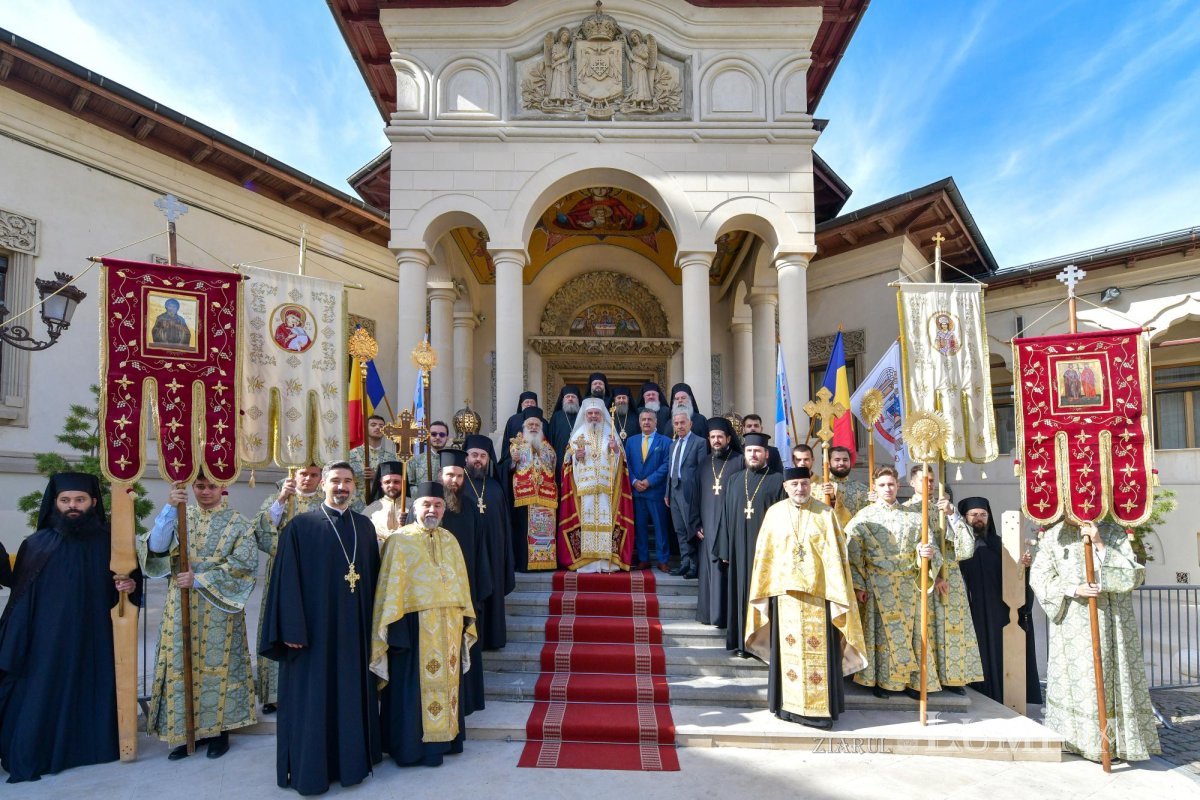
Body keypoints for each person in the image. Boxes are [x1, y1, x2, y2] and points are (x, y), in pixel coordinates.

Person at [0, 472, 140, 783]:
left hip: (98, 637)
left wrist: (130, 585)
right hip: (48, 641)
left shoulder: (113, 543)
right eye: (65, 501)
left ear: (93, 502)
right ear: (55, 503)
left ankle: (95, 749)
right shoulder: (36, 545)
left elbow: (132, 582)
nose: (72, 506)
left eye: (79, 500)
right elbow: (20, 597)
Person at [259, 461, 382, 795]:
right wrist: (292, 630)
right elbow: (284, 583)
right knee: (313, 700)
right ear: (324, 485)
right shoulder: (300, 527)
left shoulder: (364, 527)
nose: (342, 487)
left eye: (348, 482)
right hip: (312, 634)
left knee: (349, 695)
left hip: (353, 632)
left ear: (355, 487)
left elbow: (373, 581)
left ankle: (351, 764)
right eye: (335, 481)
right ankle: (311, 769)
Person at [140, 475, 258, 760]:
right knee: (181, 664)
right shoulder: (181, 514)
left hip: (219, 605)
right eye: (200, 486)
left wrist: (200, 579)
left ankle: (220, 733)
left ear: (223, 487)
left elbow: (244, 566)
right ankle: (184, 731)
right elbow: (156, 546)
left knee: (218, 667)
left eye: (211, 486)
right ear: (191, 488)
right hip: (180, 602)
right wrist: (169, 507)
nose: (205, 492)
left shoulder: (239, 523)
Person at [746, 467, 868, 729]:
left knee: (818, 653)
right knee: (787, 652)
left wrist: (835, 590)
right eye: (794, 484)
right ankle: (787, 707)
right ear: (786, 487)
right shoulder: (774, 514)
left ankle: (818, 711)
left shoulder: (825, 514)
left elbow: (837, 556)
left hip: (819, 595)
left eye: (804, 484)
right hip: (785, 596)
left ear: (810, 485)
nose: (800, 489)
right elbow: (765, 555)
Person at [1030, 518, 1160, 763]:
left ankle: (1112, 745)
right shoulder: (1053, 536)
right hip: (1073, 627)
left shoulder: (1114, 532)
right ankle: (1076, 740)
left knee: (1110, 678)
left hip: (1113, 624)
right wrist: (1073, 588)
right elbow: (1039, 578)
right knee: (1080, 679)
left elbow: (1134, 574)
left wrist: (1099, 543)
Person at [370, 482, 476, 767]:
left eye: (438, 505)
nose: (432, 510)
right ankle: (410, 749)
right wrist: (396, 630)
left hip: (448, 628)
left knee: (448, 686)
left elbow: (461, 585)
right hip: (413, 628)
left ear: (444, 509)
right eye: (427, 504)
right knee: (412, 690)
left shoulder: (450, 540)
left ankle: (446, 740)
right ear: (415, 507)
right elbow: (390, 590)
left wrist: (464, 618)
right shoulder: (399, 541)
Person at [845, 466, 942, 698]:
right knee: (882, 634)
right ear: (875, 487)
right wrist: (859, 585)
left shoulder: (916, 517)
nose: (887, 489)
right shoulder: (864, 517)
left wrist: (924, 552)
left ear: (898, 486)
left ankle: (913, 682)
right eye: (882, 485)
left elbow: (932, 548)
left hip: (909, 584)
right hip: (878, 584)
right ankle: (881, 681)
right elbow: (852, 552)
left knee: (912, 634)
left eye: (891, 484)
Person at [252, 464, 324, 714]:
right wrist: (282, 498)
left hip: (317, 576)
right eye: (303, 474)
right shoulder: (279, 499)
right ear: (294, 475)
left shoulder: (327, 501)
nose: (308, 479)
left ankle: (312, 689)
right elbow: (261, 531)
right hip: (283, 572)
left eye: (314, 475)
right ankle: (275, 694)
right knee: (282, 626)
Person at [903, 466, 981, 695]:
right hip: (922, 575)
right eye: (924, 480)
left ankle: (953, 678)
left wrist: (950, 514)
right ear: (912, 483)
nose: (929, 484)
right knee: (923, 629)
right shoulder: (907, 510)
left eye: (932, 480)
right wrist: (933, 574)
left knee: (951, 627)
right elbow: (909, 546)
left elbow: (966, 547)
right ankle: (922, 681)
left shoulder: (945, 508)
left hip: (951, 575)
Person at [957, 496, 1041, 705]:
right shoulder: (956, 546)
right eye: (973, 515)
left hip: (999, 611)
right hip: (969, 609)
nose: (979, 519)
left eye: (983, 515)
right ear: (965, 518)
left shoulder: (1000, 544)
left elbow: (1015, 576)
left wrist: (1024, 566)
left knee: (1000, 653)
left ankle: (1003, 697)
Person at [713, 433, 784, 656]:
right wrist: (724, 549)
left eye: (758, 451)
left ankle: (762, 644)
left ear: (766, 454)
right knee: (739, 595)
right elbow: (724, 516)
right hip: (738, 551)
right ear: (744, 454)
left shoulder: (778, 480)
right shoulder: (734, 480)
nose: (754, 455)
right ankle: (742, 643)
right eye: (750, 451)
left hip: (766, 554)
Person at [437, 448, 492, 716]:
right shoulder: (428, 508)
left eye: (459, 475)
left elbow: (481, 548)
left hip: (465, 590)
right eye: (450, 475)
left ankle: (467, 700)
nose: (454, 481)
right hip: (434, 597)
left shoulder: (470, 507)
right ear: (440, 476)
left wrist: (480, 588)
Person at [557, 397, 635, 572]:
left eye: (597, 413)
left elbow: (622, 463)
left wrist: (615, 449)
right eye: (590, 413)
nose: (593, 416)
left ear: (602, 415)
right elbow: (566, 462)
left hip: (607, 490)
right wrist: (576, 456)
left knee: (607, 523)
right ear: (585, 415)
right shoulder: (577, 435)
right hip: (584, 492)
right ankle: (587, 562)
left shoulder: (611, 433)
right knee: (586, 524)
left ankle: (607, 561)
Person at [464, 434, 516, 650]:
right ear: (465, 457)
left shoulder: (495, 488)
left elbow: (505, 525)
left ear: (489, 459)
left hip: (494, 553)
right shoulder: (459, 486)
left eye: (483, 456)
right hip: (469, 554)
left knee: (492, 596)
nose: (478, 460)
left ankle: (492, 639)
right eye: (474, 455)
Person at [697, 417, 743, 626]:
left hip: (731, 527)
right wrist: (696, 523)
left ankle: (725, 618)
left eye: (720, 437)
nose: (716, 441)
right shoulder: (704, 463)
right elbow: (694, 495)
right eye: (712, 437)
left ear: (728, 439)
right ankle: (709, 615)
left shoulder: (739, 461)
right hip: (707, 525)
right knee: (709, 571)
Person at [505, 408, 559, 571]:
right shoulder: (516, 445)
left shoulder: (548, 447)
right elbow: (509, 468)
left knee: (545, 530)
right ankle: (524, 564)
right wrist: (513, 461)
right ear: (525, 426)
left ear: (541, 427)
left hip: (545, 495)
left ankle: (545, 564)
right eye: (530, 424)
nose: (534, 427)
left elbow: (553, 468)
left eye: (536, 424)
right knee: (523, 531)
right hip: (524, 494)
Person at [625, 407, 671, 571]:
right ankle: (644, 558)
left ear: (656, 422)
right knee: (640, 527)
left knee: (660, 527)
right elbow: (626, 464)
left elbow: (667, 465)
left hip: (656, 491)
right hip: (637, 491)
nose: (646, 422)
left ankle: (663, 559)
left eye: (649, 419)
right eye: (643, 419)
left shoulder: (665, 441)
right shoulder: (631, 441)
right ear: (639, 422)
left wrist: (649, 481)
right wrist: (635, 481)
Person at [667, 405, 707, 578]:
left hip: (690, 492)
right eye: (676, 423)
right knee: (680, 529)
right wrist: (667, 493)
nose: (679, 426)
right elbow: (670, 470)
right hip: (674, 491)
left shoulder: (699, 442)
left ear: (690, 424)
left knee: (691, 528)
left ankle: (694, 565)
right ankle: (684, 562)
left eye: (683, 422)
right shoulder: (673, 444)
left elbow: (701, 470)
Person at [348, 414, 397, 512]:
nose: (378, 427)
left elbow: (395, 483)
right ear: (365, 429)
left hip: (382, 507)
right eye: (373, 425)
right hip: (355, 505)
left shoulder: (392, 457)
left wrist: (377, 477)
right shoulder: (351, 455)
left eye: (381, 426)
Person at [819, 445, 870, 527]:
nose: (841, 463)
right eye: (837, 460)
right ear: (828, 463)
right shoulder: (818, 486)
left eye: (845, 460)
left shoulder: (863, 489)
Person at [363, 460, 409, 542]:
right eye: (387, 482)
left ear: (403, 483)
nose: (391, 485)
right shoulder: (371, 510)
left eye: (396, 482)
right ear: (381, 484)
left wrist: (410, 521)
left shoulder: (415, 506)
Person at [405, 419, 450, 490]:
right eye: (433, 434)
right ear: (428, 436)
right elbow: (409, 486)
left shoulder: (452, 462)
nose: (438, 437)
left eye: (442, 435)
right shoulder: (415, 461)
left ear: (447, 438)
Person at [548, 385, 582, 471]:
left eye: (573, 397)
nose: (570, 399)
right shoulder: (556, 416)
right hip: (560, 457)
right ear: (563, 400)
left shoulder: (583, 415)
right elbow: (551, 438)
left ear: (578, 400)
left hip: (581, 457)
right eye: (567, 397)